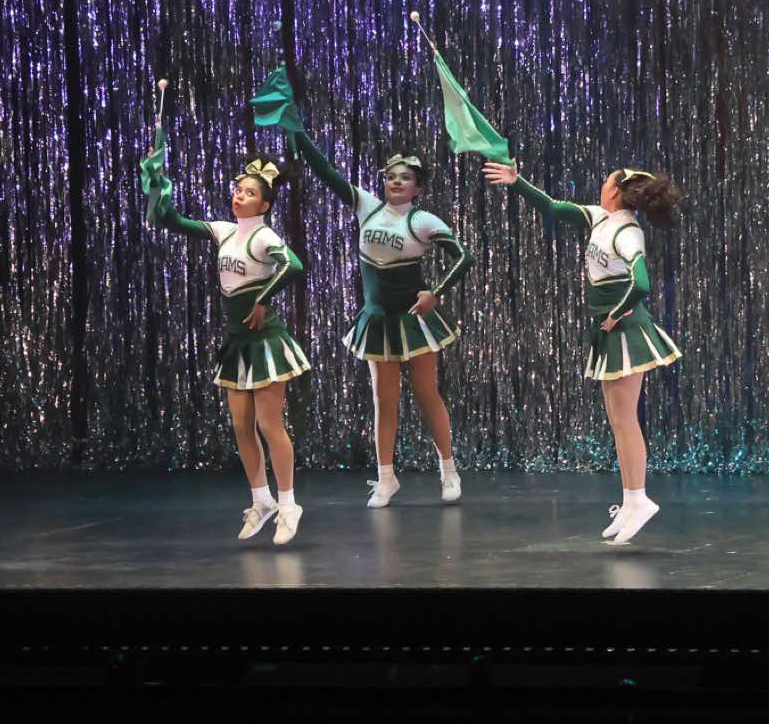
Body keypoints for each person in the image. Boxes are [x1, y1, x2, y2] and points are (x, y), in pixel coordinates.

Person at [483, 157, 682, 544]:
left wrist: (615, 314)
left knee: (626, 420)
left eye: (606, 181)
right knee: (618, 421)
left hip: (626, 332)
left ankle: (640, 498)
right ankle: (630, 500)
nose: (601, 186)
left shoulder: (627, 231)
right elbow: (553, 207)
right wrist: (516, 181)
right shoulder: (600, 218)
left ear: (615, 191)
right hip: (610, 331)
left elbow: (641, 283)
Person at [139, 142, 309, 545]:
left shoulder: (264, 236)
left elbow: (294, 265)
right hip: (236, 344)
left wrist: (263, 299)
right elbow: (171, 219)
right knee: (240, 425)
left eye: (249, 193)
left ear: (264, 204)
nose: (239, 196)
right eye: (238, 190)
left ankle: (288, 504)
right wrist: (157, 180)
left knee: (269, 424)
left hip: (265, 343)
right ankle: (261, 500)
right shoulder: (224, 231)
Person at [289, 134, 471, 507]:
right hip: (377, 320)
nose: (397, 181)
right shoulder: (367, 207)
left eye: (406, 177)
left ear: (418, 187)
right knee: (383, 400)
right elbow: (326, 171)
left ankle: (448, 469)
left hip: (413, 320)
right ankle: (386, 478)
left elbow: (463, 257)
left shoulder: (422, 220)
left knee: (427, 394)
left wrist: (435, 292)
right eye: (391, 176)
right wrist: (298, 134)